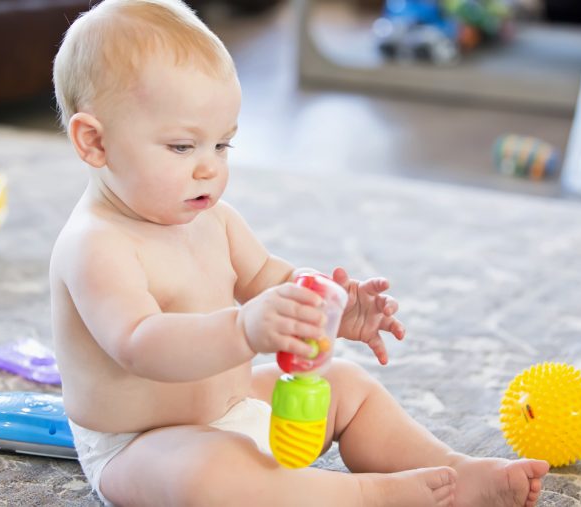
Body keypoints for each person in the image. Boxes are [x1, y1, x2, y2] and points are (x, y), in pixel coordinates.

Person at [49, 1, 550, 505]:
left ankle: (454, 472)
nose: (209, 169)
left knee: (345, 385)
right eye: (183, 147)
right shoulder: (95, 245)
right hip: (142, 446)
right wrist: (243, 329)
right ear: (95, 142)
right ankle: (368, 496)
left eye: (223, 146)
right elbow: (141, 344)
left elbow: (268, 276)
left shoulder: (213, 219)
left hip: (236, 404)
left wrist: (324, 307)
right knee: (210, 475)